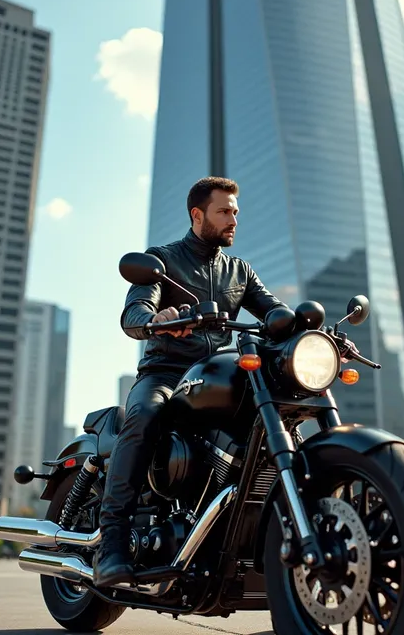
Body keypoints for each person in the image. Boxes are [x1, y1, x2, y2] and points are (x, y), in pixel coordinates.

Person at [93, 176, 291, 587]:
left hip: (218, 376)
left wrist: (309, 328)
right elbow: (133, 316)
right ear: (197, 214)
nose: (233, 218)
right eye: (224, 211)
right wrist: (156, 321)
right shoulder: (161, 260)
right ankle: (111, 543)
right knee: (146, 415)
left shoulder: (240, 270)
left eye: (236, 211)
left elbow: (275, 313)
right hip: (166, 375)